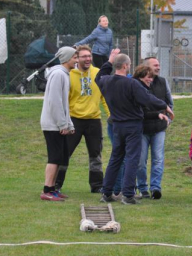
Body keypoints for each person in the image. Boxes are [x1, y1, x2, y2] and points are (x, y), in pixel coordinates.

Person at [95, 49, 173, 204]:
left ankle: (106, 192)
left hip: (117, 125)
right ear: (125, 66)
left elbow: (99, 76)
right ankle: (128, 195)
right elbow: (147, 99)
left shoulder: (106, 81)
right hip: (132, 126)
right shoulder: (131, 83)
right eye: (129, 64)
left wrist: (109, 61)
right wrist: (164, 106)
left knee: (115, 158)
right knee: (132, 158)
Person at [55, 45, 110, 193]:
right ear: (77, 58)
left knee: (96, 155)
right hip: (74, 121)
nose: (88, 59)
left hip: (94, 120)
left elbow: (105, 96)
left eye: (89, 56)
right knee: (65, 154)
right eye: (84, 56)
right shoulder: (69, 74)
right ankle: (56, 184)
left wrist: (110, 115)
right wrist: (63, 121)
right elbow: (63, 99)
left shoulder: (97, 73)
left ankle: (97, 186)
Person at [40, 46, 77, 201]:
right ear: (67, 58)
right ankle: (47, 190)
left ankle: (53, 189)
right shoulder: (58, 75)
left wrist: (69, 124)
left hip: (59, 124)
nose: (76, 60)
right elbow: (55, 102)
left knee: (61, 157)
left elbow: (64, 104)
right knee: (54, 157)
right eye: (74, 57)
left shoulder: (64, 74)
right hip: (52, 124)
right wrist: (62, 124)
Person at [136, 57, 174, 200]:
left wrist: (168, 119)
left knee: (158, 159)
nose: (158, 67)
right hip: (142, 128)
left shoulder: (163, 82)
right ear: (146, 68)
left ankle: (155, 188)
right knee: (141, 160)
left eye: (159, 65)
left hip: (159, 128)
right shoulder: (137, 84)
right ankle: (143, 188)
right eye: (155, 65)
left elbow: (169, 102)